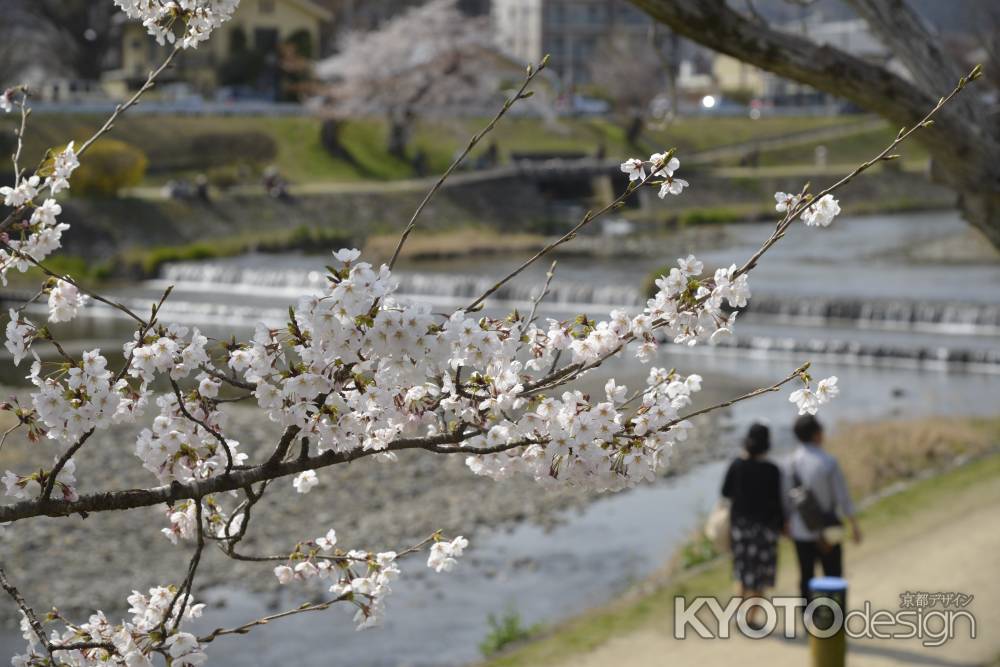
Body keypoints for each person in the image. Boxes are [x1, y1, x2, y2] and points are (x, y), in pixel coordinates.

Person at [786, 415, 861, 601]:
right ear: (817, 434)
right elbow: (842, 497)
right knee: (833, 575)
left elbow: (785, 500)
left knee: (806, 576)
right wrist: (854, 525)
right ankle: (834, 621)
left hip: (801, 530)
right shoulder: (828, 462)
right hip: (829, 531)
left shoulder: (789, 464)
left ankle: (808, 621)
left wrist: (786, 525)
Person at [722, 423, 785, 606]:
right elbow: (777, 503)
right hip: (765, 530)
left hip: (740, 529)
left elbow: (725, 492)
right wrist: (782, 526)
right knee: (761, 575)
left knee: (742, 572)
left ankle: (737, 613)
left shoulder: (737, 464)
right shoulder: (772, 470)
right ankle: (751, 618)